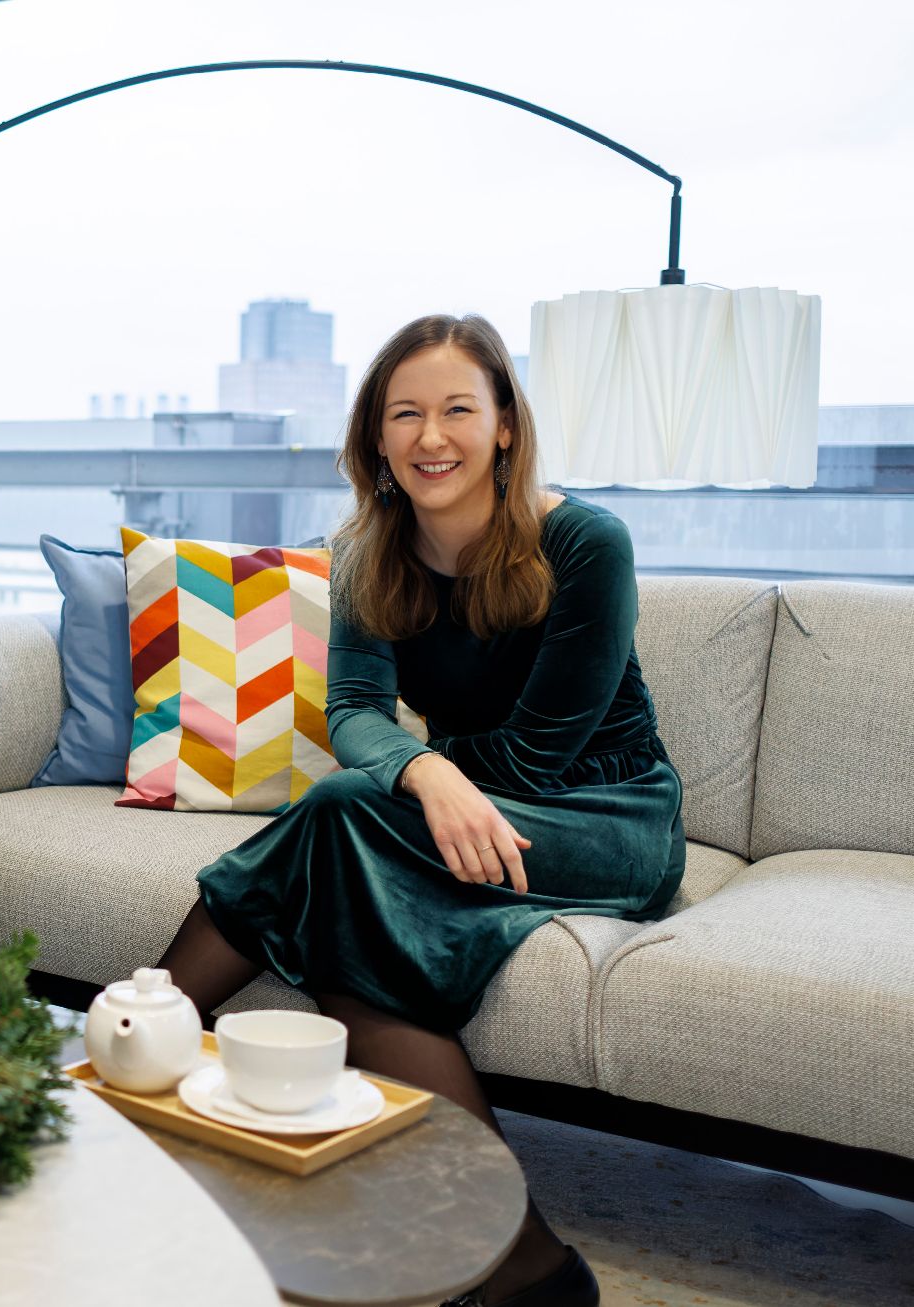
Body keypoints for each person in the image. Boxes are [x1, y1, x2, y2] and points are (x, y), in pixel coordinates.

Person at [156, 314, 683, 1307]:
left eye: (455, 409)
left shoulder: (583, 541)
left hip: (601, 814)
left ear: (502, 429)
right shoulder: (370, 549)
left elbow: (538, 753)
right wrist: (425, 777)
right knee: (354, 916)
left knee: (340, 812)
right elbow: (351, 709)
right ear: (375, 439)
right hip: (460, 809)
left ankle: (142, 1033)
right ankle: (524, 1265)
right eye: (404, 412)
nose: (429, 434)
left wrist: (415, 770)